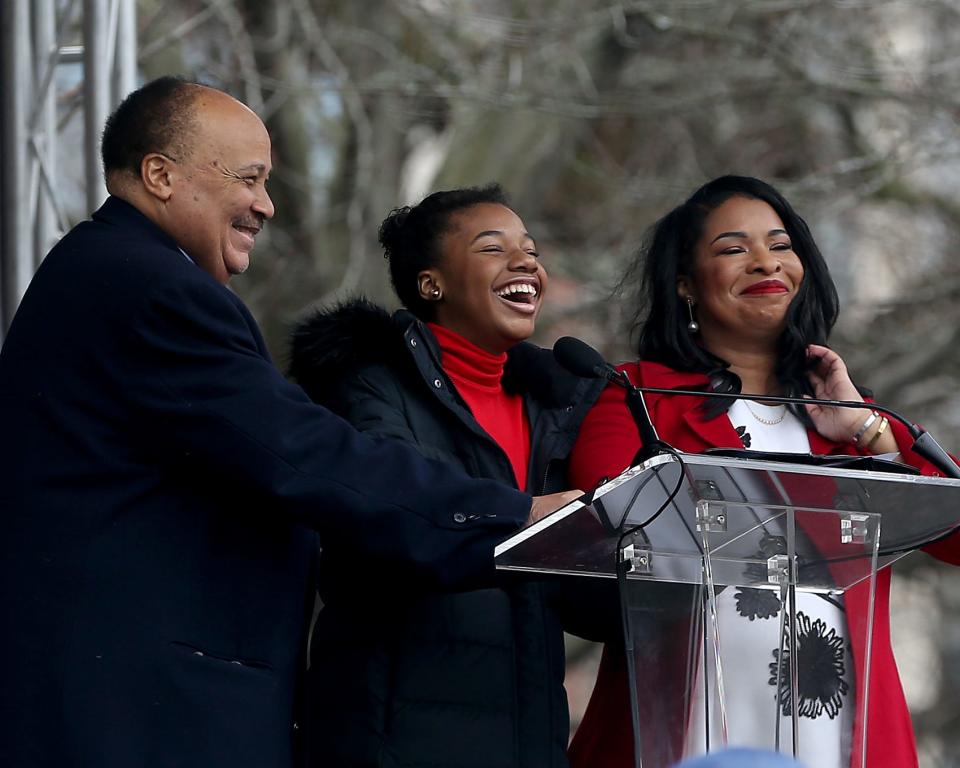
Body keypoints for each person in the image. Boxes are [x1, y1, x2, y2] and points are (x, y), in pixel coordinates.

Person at [0, 77, 575, 768]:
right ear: (160, 174)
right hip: (138, 711)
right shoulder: (151, 288)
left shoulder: (111, 271)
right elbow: (305, 455)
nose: (265, 205)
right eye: (248, 178)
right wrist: (518, 517)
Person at [564, 176, 960, 768]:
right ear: (686, 285)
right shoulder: (636, 398)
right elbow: (604, 530)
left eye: (780, 245)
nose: (764, 262)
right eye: (732, 249)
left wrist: (865, 429)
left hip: (842, 733)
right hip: (685, 721)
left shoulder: (852, 417)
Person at [288, 184, 603, 768]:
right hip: (395, 739)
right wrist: (527, 516)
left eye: (530, 249)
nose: (526, 262)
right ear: (432, 284)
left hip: (529, 738)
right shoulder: (370, 385)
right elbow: (402, 520)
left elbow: (577, 597)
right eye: (493, 248)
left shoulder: (555, 408)